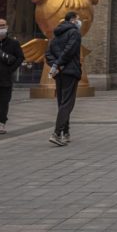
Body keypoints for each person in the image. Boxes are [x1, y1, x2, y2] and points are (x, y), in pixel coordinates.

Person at [45, 11, 83, 146]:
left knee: (62, 102)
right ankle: (56, 133)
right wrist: (58, 64)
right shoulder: (74, 33)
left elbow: (48, 54)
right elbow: (69, 50)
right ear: (73, 20)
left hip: (59, 73)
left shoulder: (56, 36)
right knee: (67, 103)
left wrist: (56, 65)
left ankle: (65, 133)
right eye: (78, 19)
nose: (80, 22)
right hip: (70, 71)